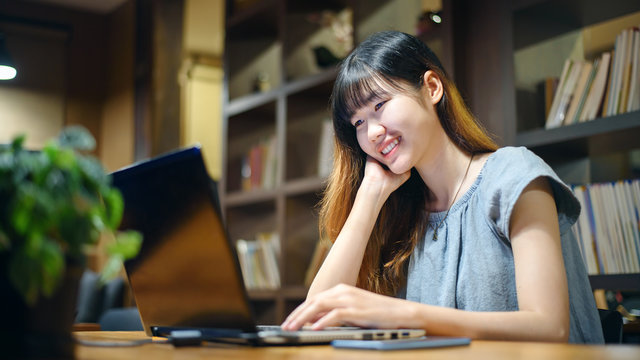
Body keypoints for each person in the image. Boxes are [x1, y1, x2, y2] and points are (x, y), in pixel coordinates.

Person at [280, 31, 604, 343]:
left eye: (379, 105)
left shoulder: (511, 174)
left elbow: (549, 326)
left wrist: (402, 314)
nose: (373, 133)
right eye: (358, 124)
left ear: (432, 87)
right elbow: (313, 321)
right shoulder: (405, 214)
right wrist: (369, 195)